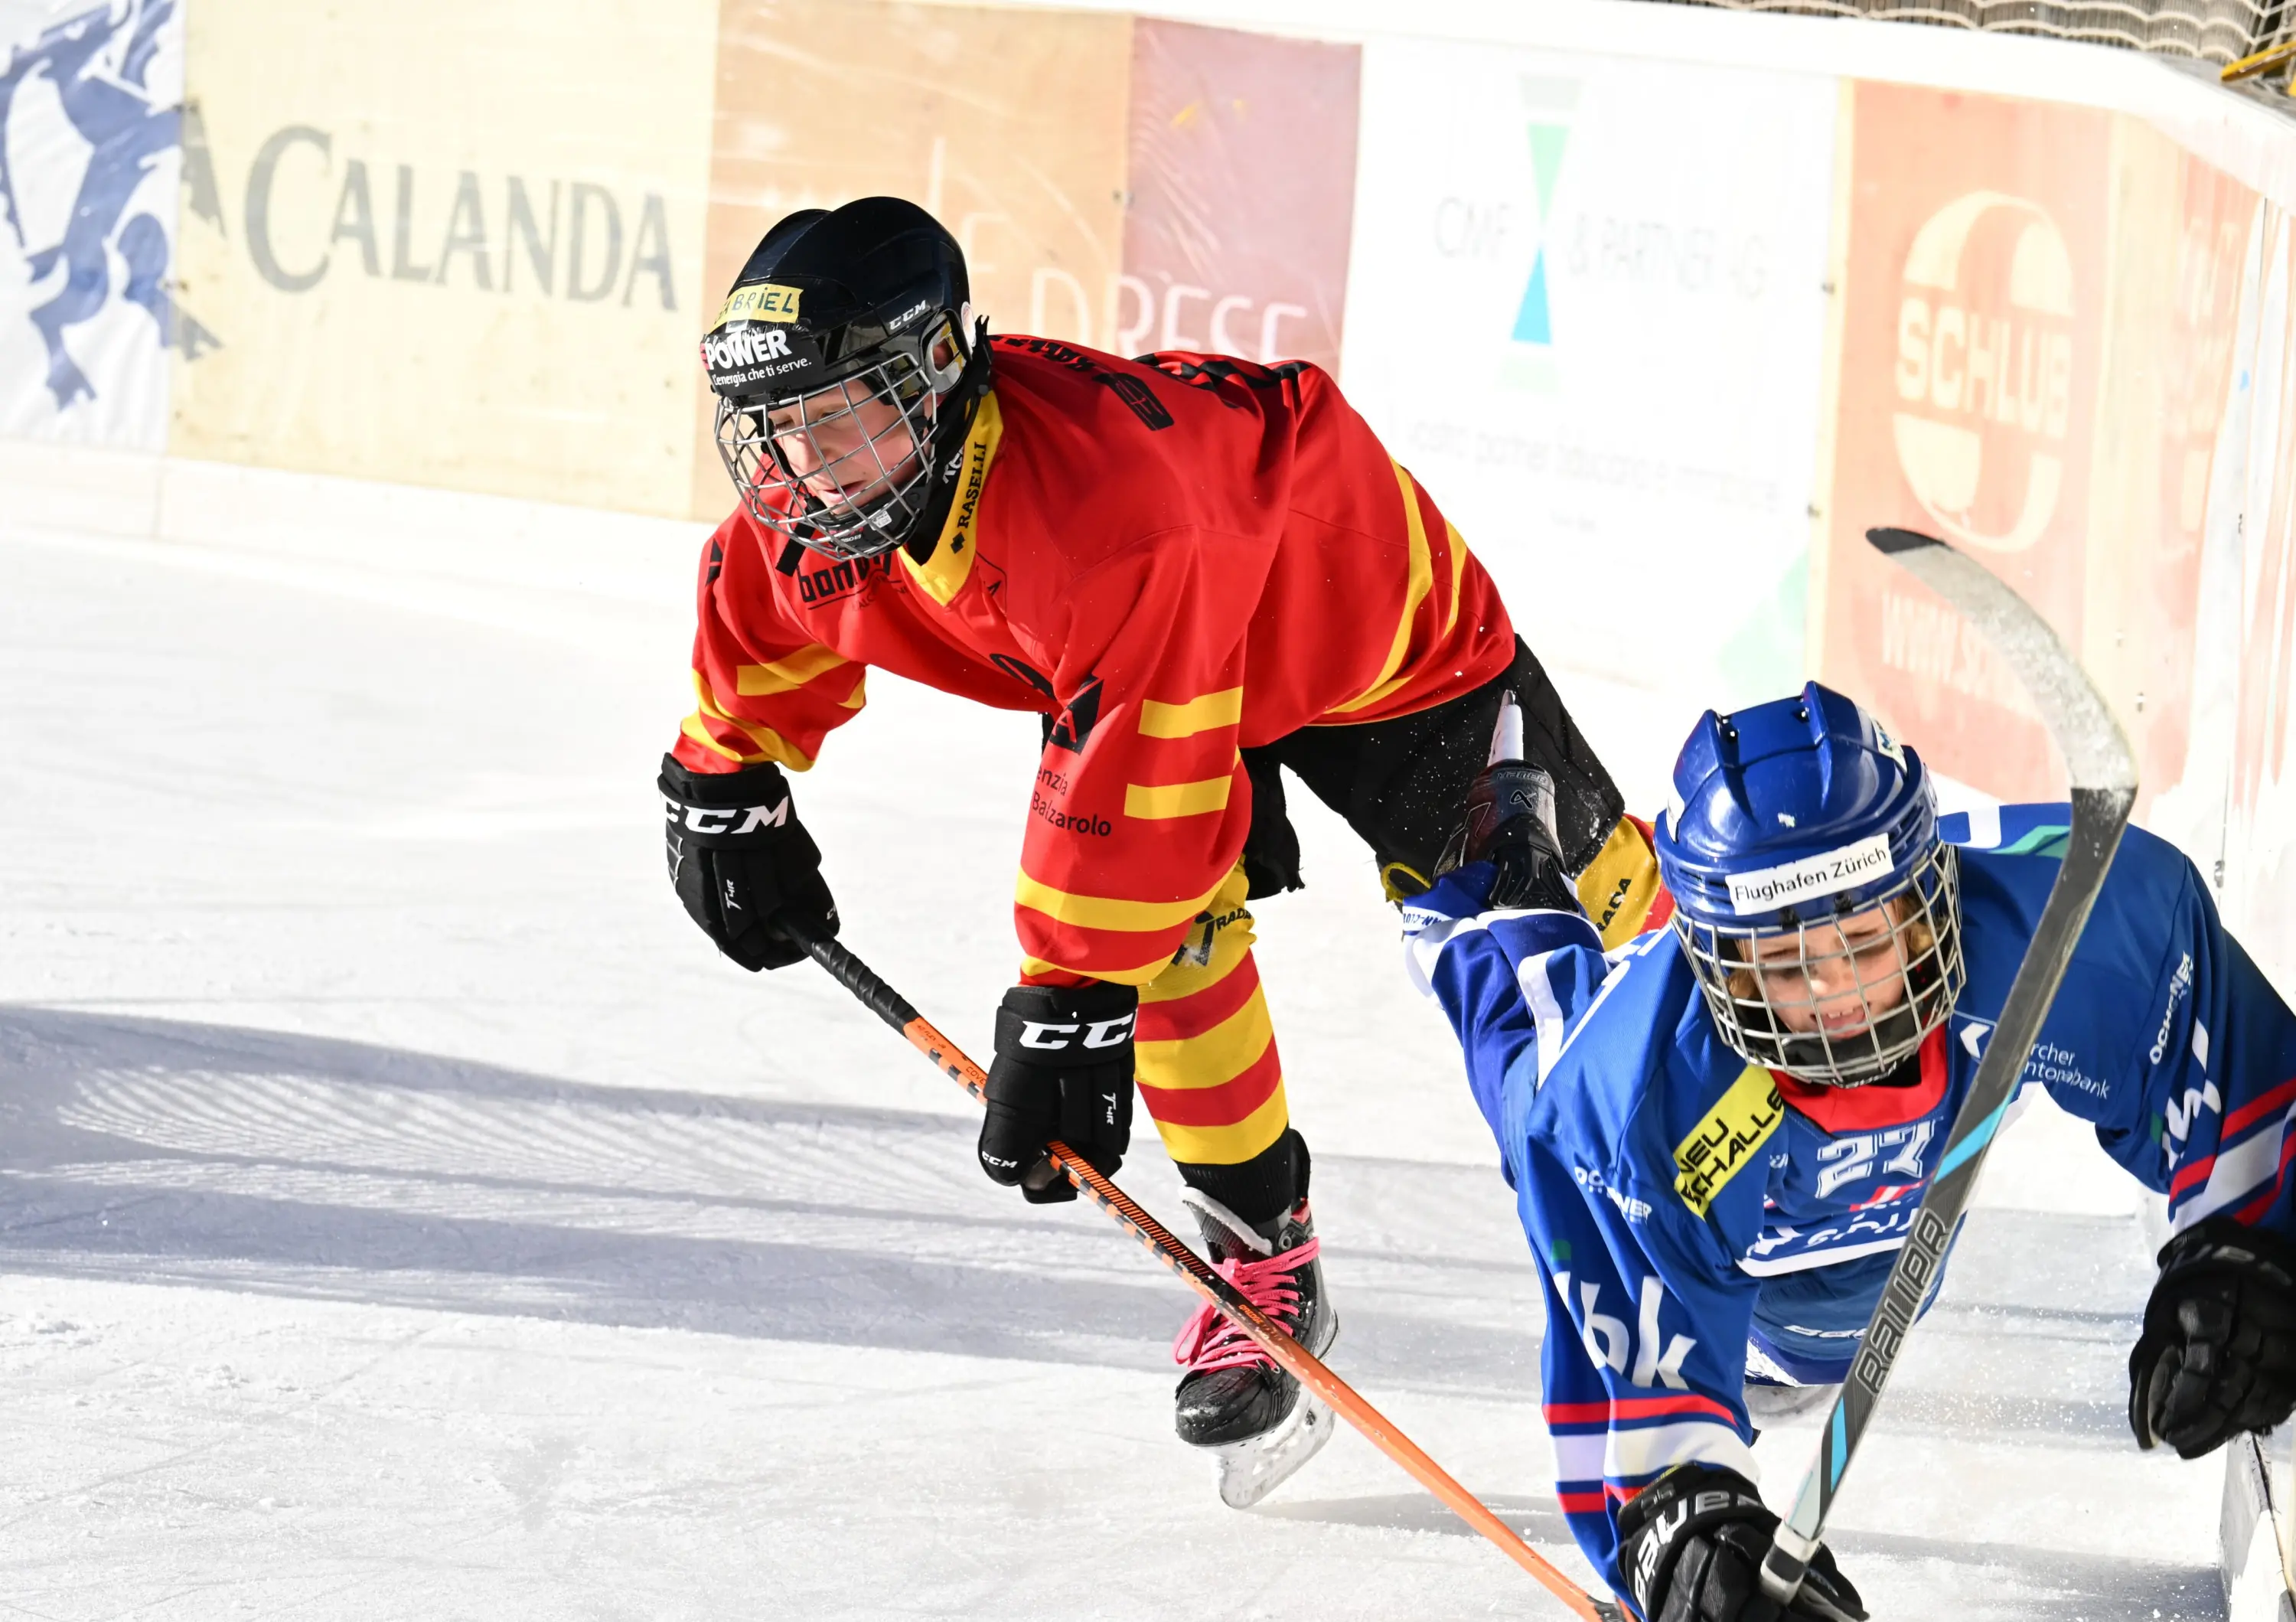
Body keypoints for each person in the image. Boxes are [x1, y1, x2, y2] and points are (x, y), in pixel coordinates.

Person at [655, 195, 1664, 1498]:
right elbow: (760, 610)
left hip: (1365, 627)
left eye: (841, 412)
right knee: (1168, 936)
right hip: (1160, 647)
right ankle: (1263, 1256)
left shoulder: (1103, 522)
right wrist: (722, 766)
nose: (807, 463)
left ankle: (1767, 1068)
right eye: (779, 426)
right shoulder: (831, 503)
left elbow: (1122, 812)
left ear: (938, 372)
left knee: (1558, 922)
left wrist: (1069, 992)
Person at [1402, 681, 2296, 1622]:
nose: (1840, 994)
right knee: (1531, 1043)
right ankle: (1503, 881)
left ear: (1928, 897)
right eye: (1788, 964)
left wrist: (2247, 1244)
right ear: (1716, 964)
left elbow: (2227, 1063)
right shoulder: (1624, 1104)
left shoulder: (2067, 931)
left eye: (1865, 940)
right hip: (1735, 1269)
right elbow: (1636, 1417)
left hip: (1837, 1282)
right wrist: (1689, 1530)